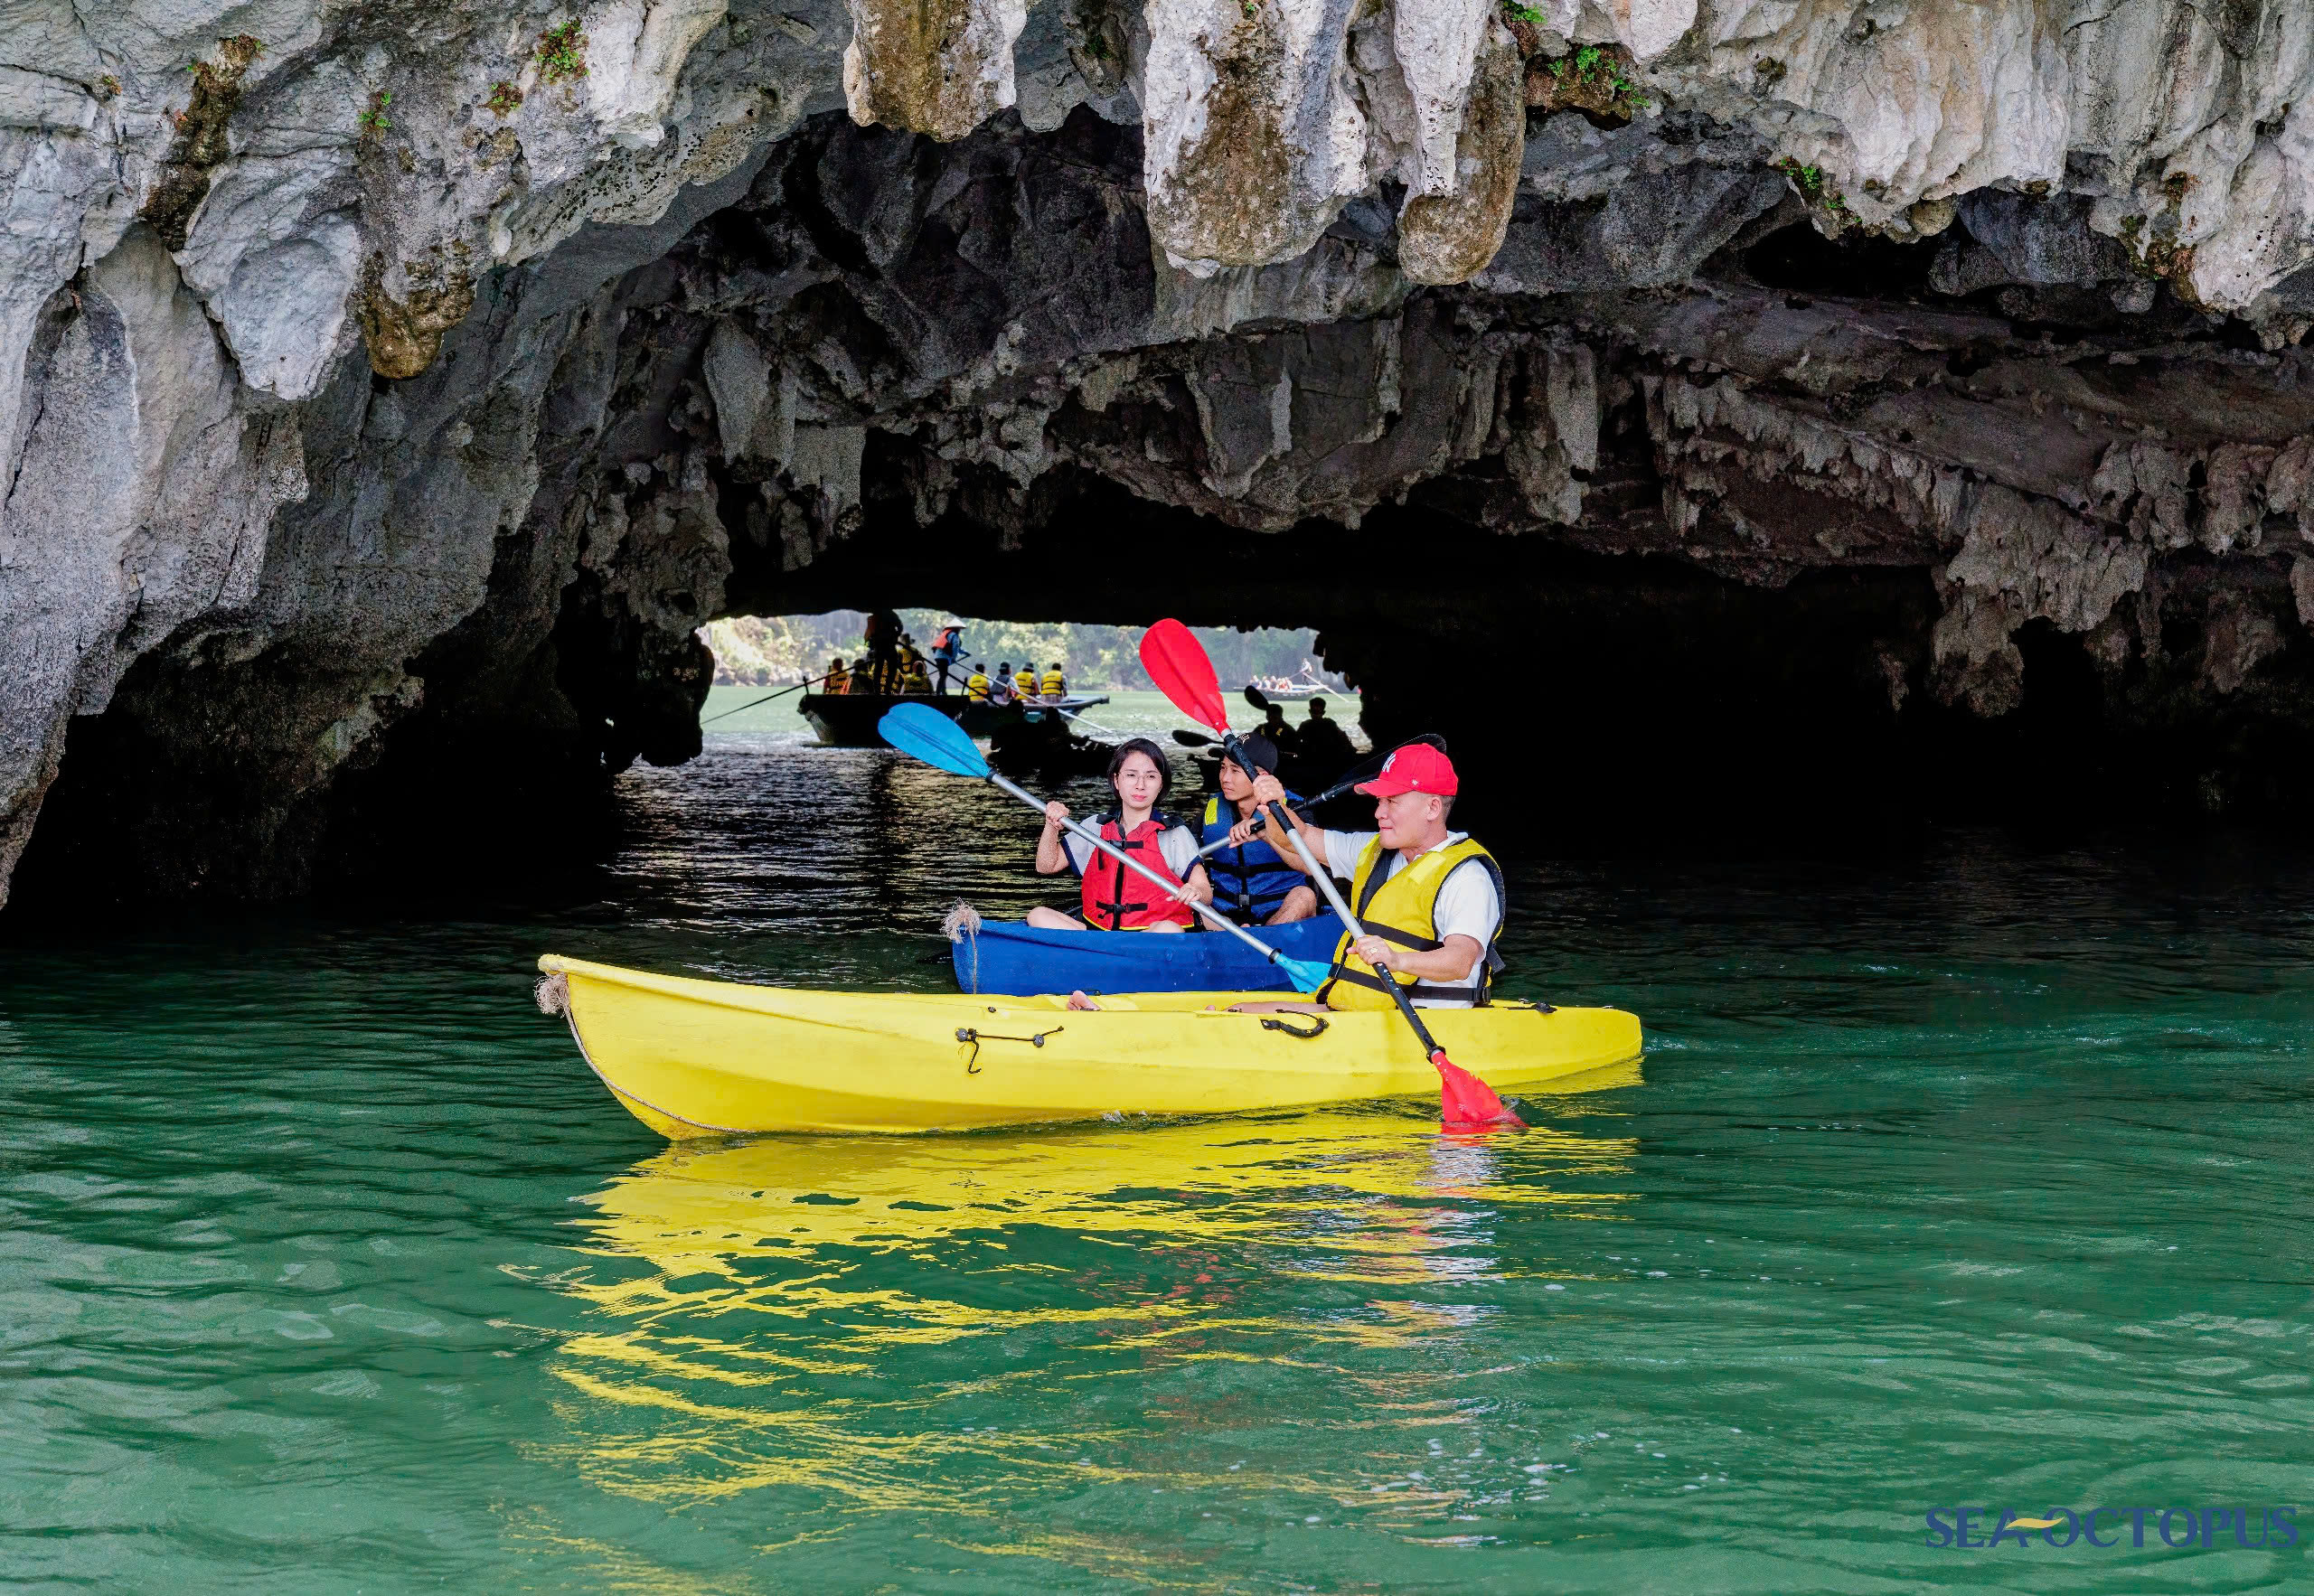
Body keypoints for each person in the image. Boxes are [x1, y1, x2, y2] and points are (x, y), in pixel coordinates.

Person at [1231, 745, 1502, 1013]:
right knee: (1235, 1011)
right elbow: (1297, 838)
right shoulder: (1373, 851)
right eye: (1379, 802)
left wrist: (1397, 960)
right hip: (1360, 1014)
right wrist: (1274, 808)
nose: (1378, 813)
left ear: (1431, 808)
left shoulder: (1467, 877)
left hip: (1427, 1021)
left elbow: (1460, 961)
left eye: (1392, 801)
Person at [1029, 738, 1210, 933]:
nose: (1140, 785)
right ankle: (1106, 953)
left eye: (1150, 777)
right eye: (1131, 775)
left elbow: (1205, 892)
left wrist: (1196, 891)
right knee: (1038, 915)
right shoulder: (1095, 827)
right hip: (1099, 933)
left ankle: (1107, 956)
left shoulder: (1173, 833)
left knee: (1169, 929)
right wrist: (1051, 826)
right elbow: (1046, 866)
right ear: (1117, 780)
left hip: (1151, 935)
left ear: (1161, 784)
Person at [1196, 734, 1318, 925]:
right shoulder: (1212, 809)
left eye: (1235, 770)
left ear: (1261, 777)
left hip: (1278, 912)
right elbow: (1187, 859)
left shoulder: (1294, 809)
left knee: (1304, 896)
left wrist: (1267, 835)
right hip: (1224, 916)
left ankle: (1267, 944)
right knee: (1185, 902)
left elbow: (1312, 867)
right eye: (1222, 768)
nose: (1225, 778)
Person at [1297, 696, 1355, 773]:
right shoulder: (1306, 725)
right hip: (1314, 758)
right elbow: (1295, 740)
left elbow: (1342, 739)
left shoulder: (1329, 724)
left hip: (1326, 758)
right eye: (1314, 712)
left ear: (1323, 713)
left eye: (1318, 712)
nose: (1316, 715)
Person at [932, 624, 965, 693]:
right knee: (943, 675)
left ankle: (944, 693)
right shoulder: (954, 635)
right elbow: (956, 646)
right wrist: (953, 658)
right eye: (959, 629)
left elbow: (956, 647)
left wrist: (964, 653)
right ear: (956, 628)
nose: (959, 630)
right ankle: (937, 693)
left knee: (943, 675)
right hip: (943, 657)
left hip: (937, 657)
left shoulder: (946, 634)